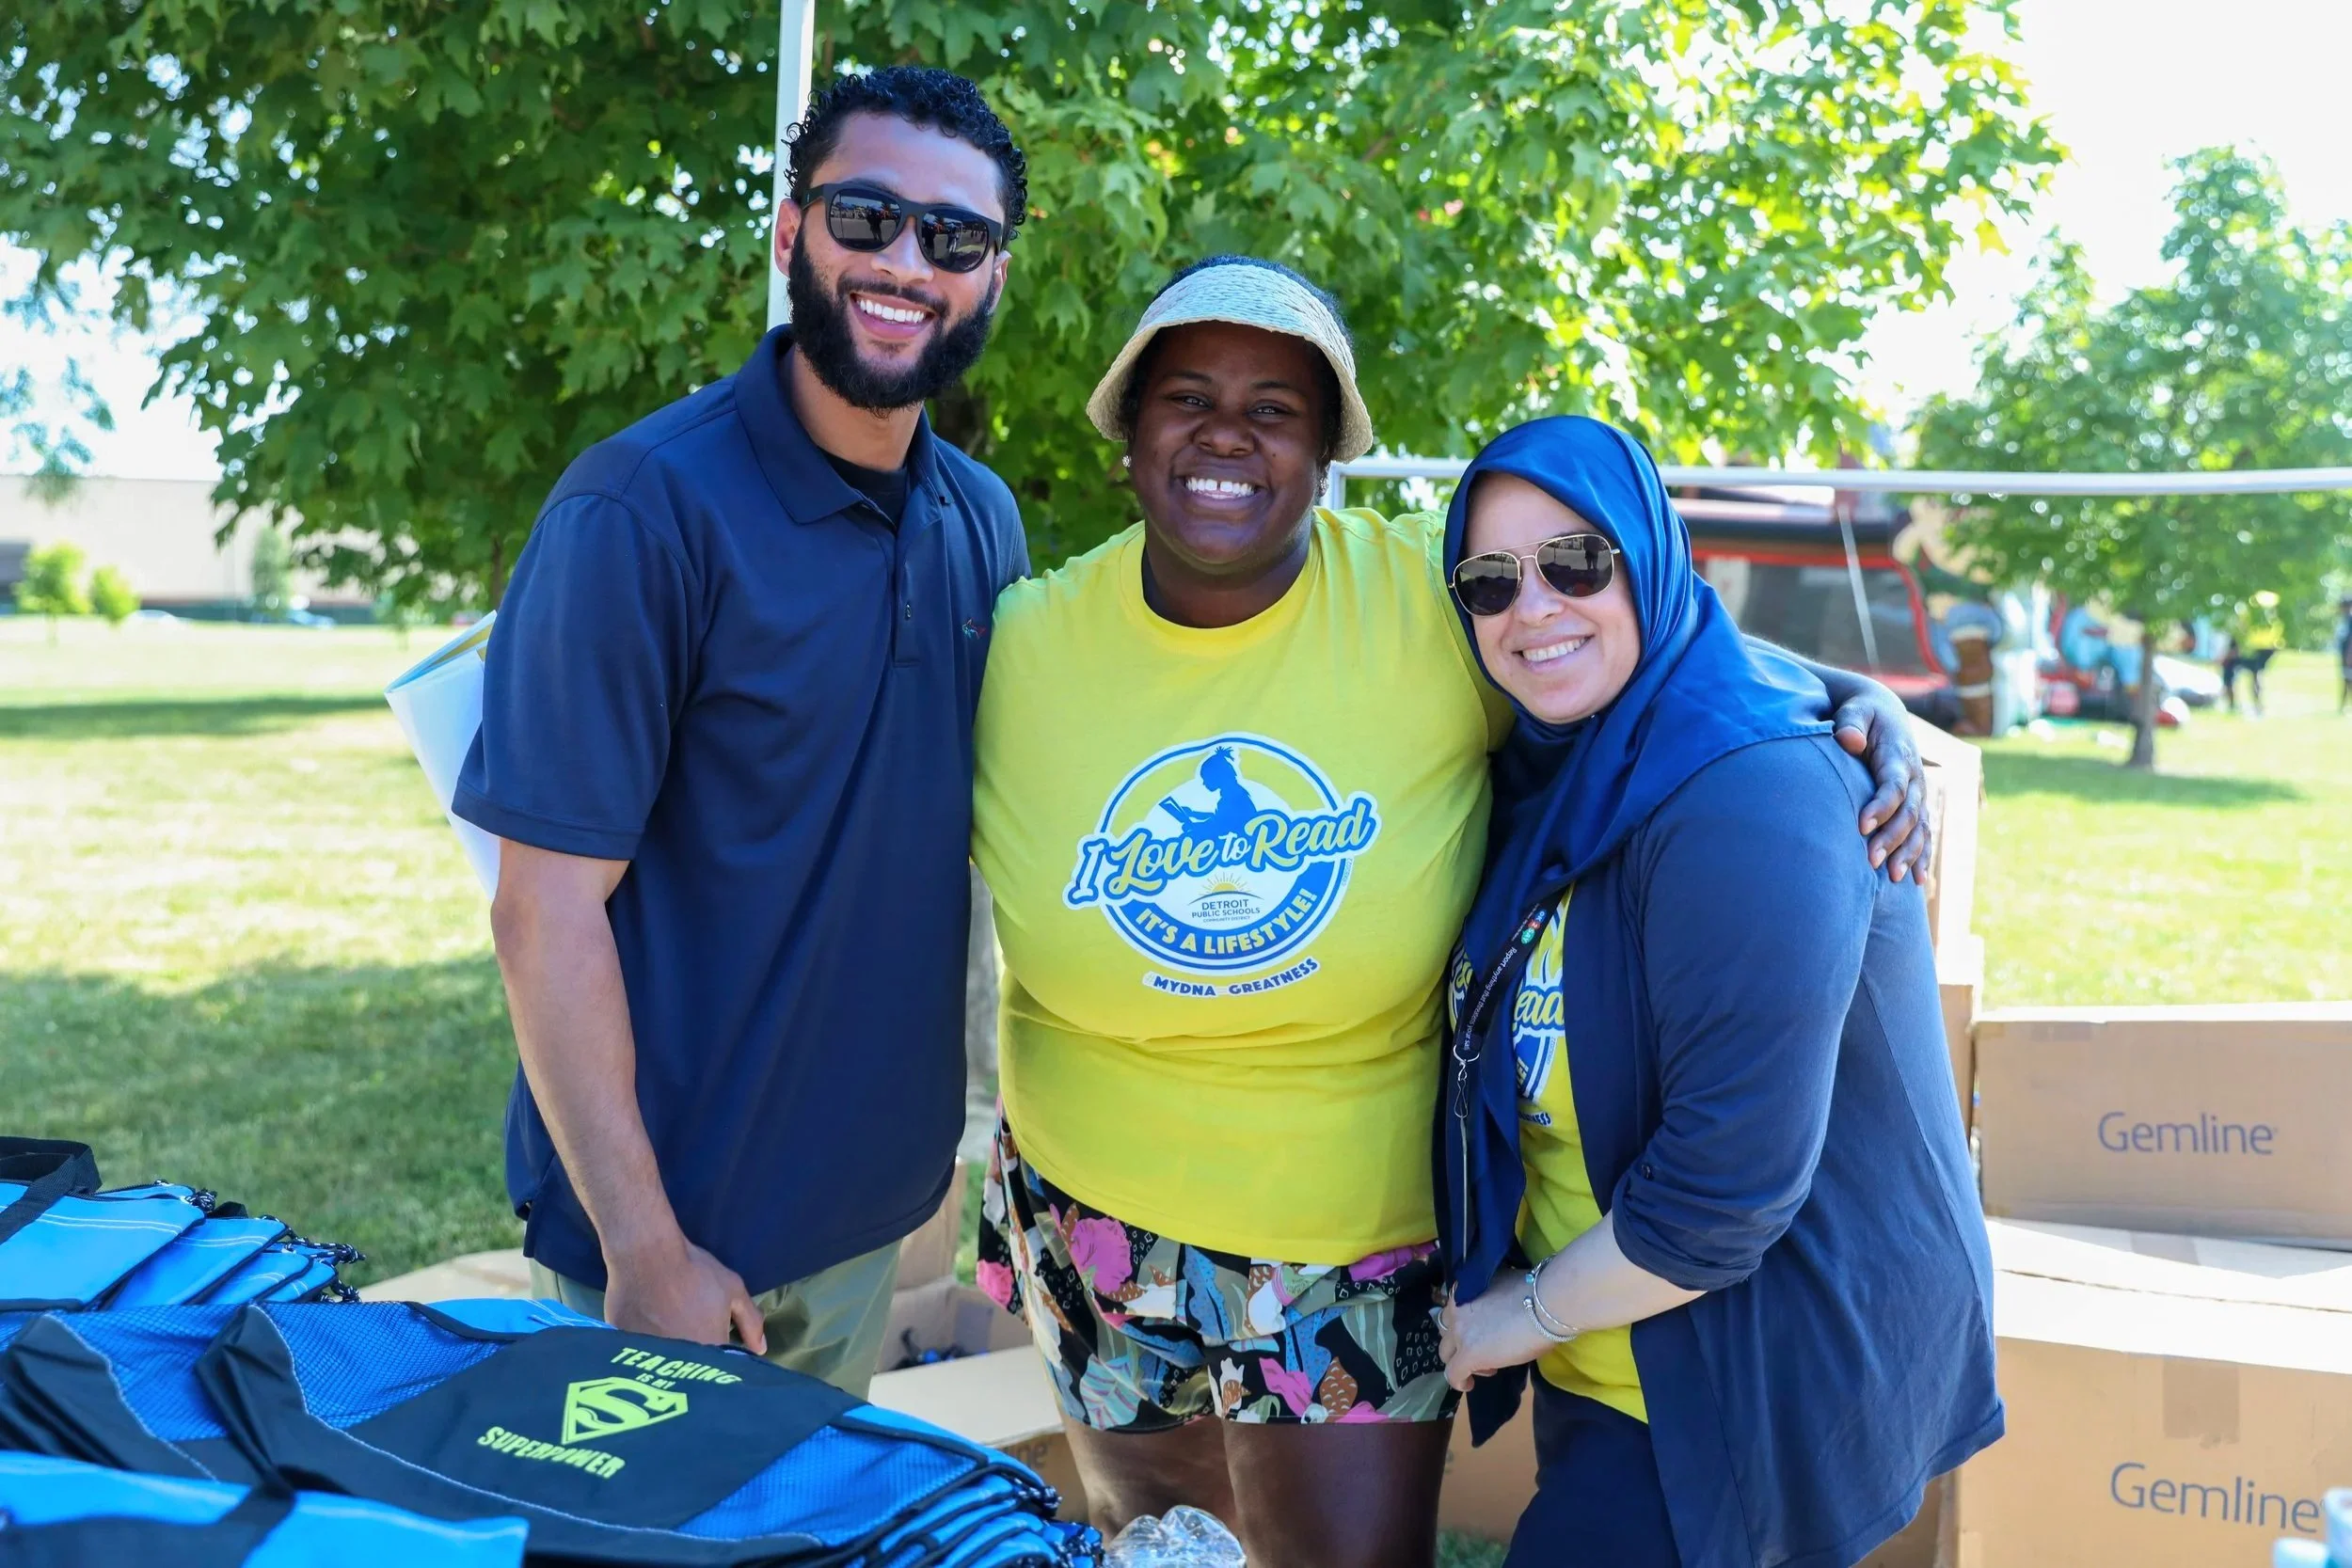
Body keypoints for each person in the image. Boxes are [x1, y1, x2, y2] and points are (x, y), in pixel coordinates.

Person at [969, 256, 1933, 1566]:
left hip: (1348, 1236)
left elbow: (1636, 641)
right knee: (1159, 1550)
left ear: (1326, 455)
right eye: (1186, 396)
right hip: (1089, 1214)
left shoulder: (1432, 611)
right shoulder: (1023, 637)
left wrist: (1848, 698)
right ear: (1128, 432)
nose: (1226, 434)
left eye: (1278, 408)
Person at [452, 67, 1029, 1394]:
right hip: (664, 1246)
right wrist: (641, 1239)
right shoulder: (640, 511)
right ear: (789, 231)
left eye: (952, 238)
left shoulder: (983, 521)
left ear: (992, 274)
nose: (904, 262)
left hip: (863, 1221)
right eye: (864, 216)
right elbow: (542, 912)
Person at [1433, 418, 2001, 1568]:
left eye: (1577, 563)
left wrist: (1511, 1317)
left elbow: (1721, 1194)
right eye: (1489, 582)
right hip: (1611, 1344)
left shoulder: (1754, 796)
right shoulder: (1569, 760)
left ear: (1650, 555)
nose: (1531, 606)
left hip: (1740, 1369)